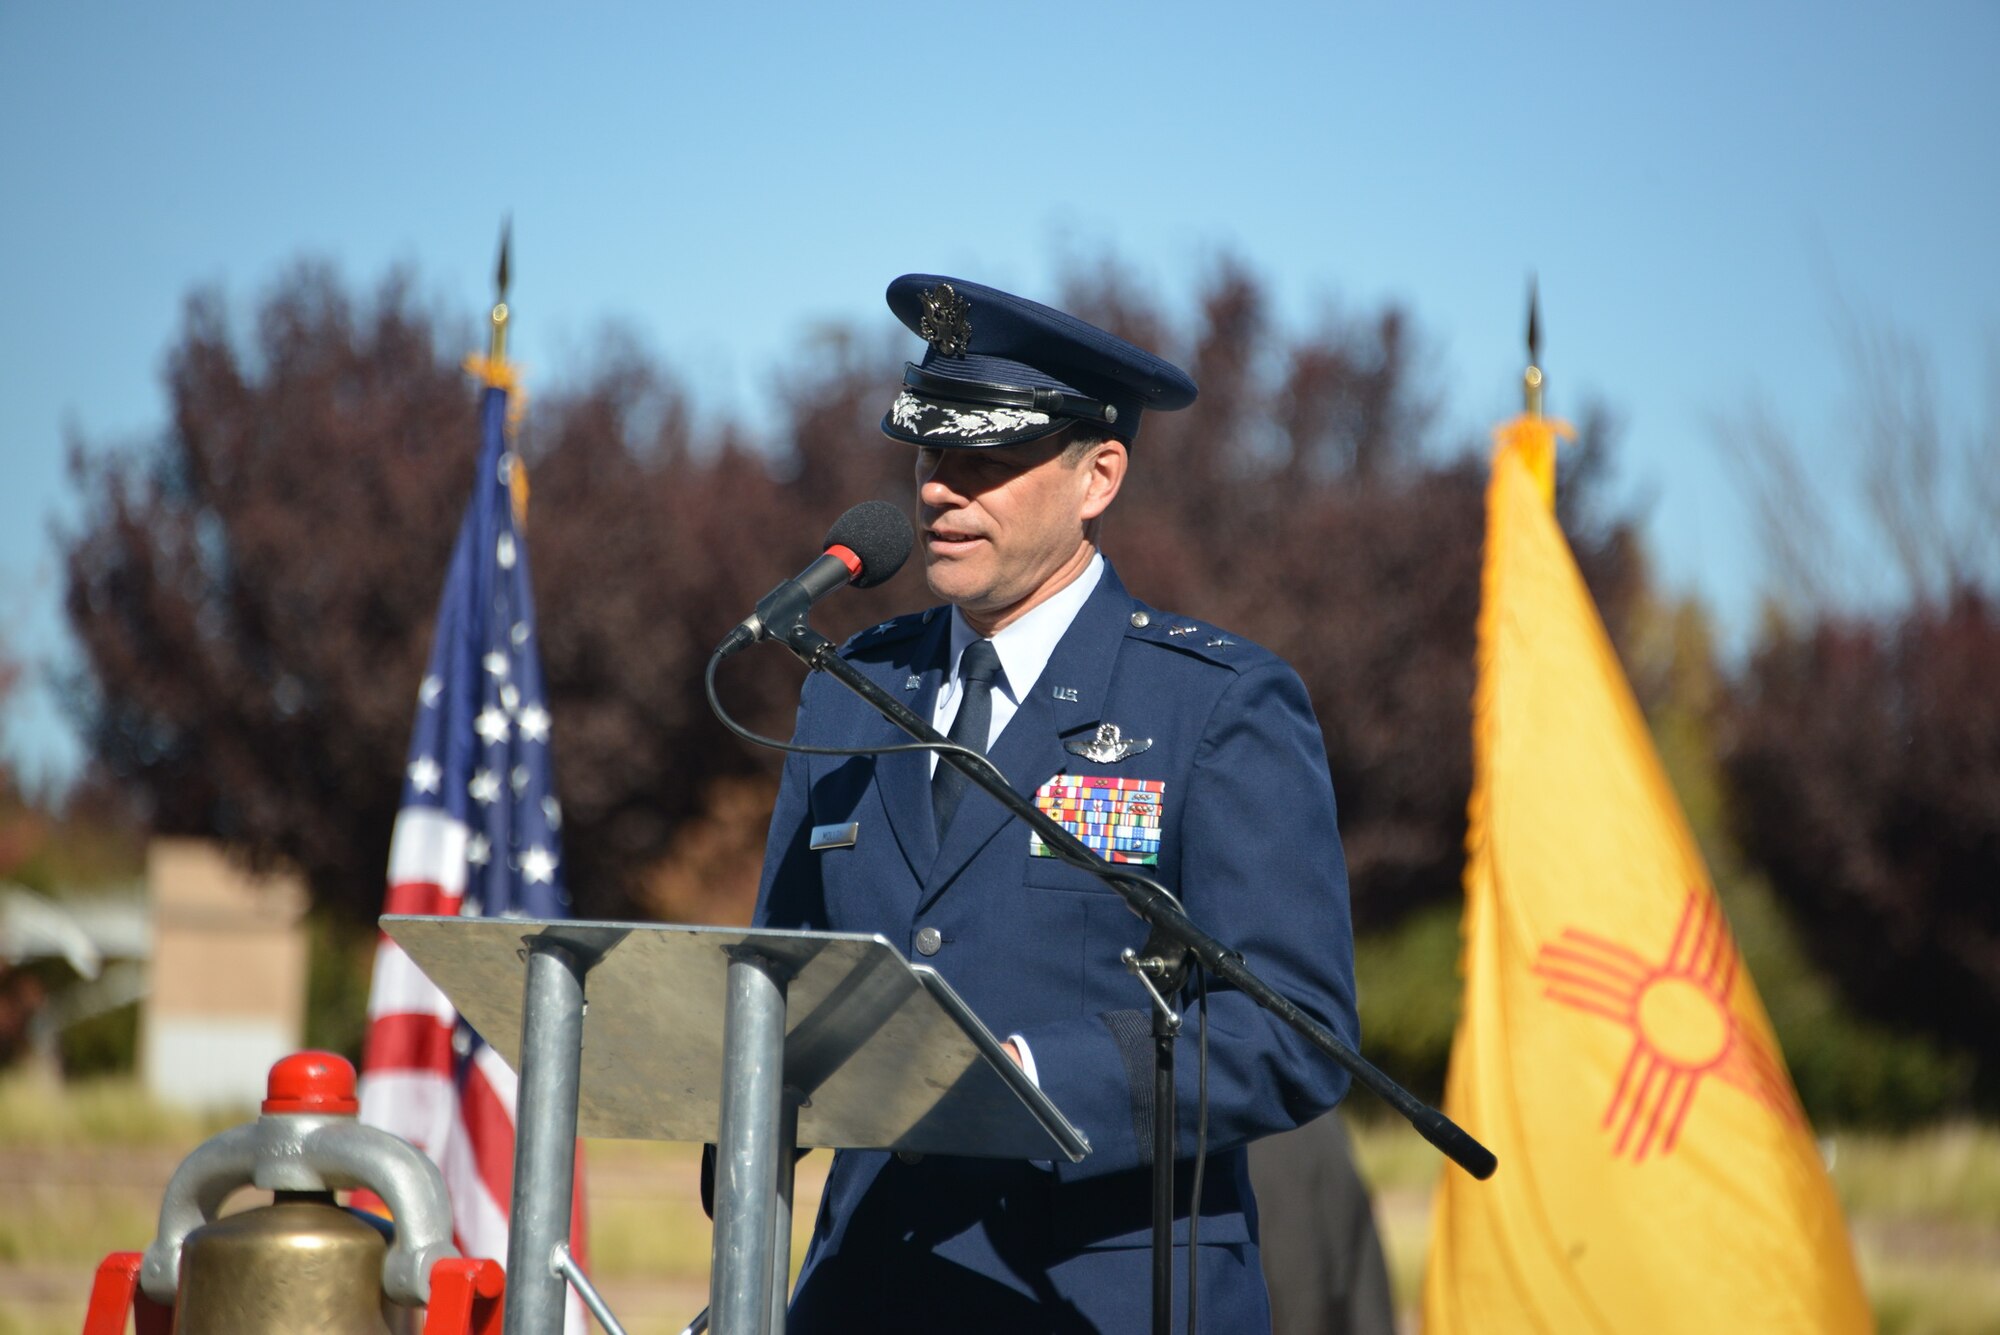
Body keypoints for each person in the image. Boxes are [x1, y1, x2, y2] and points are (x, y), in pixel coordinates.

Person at [754, 274, 1358, 1333]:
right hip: (870, 1294)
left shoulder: (1211, 706)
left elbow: (1294, 1033)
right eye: (930, 455)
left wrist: (1031, 1077)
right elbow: (782, 984)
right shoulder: (849, 691)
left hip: (1098, 1296)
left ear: (1097, 477)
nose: (941, 490)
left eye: (986, 461)